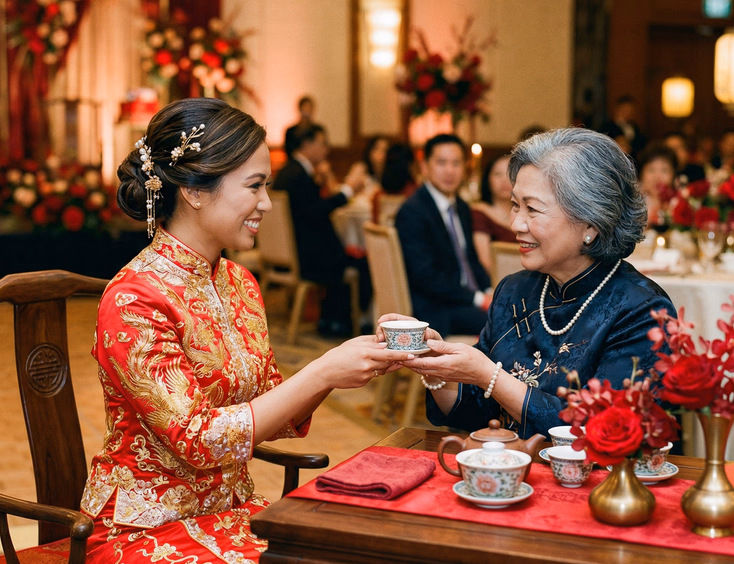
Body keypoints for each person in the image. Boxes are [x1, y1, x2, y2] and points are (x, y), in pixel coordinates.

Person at [81, 98, 410, 563]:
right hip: (145, 527)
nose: (267, 204)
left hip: (231, 511)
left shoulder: (238, 282)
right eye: (254, 186)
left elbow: (274, 403)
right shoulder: (134, 298)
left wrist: (349, 360)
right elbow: (196, 439)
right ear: (194, 191)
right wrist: (322, 373)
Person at [388, 128, 675, 439]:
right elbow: (477, 412)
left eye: (532, 209)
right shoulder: (516, 291)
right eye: (515, 205)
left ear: (591, 223)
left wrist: (489, 376)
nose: (516, 224)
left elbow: (603, 435)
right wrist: (436, 366)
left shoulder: (642, 311)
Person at [272, 123, 371, 337]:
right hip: (310, 257)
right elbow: (317, 210)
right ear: (307, 144)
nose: (326, 149)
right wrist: (347, 191)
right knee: (363, 262)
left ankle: (332, 318)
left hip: (297, 253)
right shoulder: (298, 175)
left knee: (353, 257)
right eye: (323, 143)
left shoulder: (290, 171)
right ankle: (347, 321)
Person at [395, 133, 492, 338]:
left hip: (463, 299)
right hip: (436, 309)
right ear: (424, 166)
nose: (450, 171)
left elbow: (470, 259)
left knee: (512, 311)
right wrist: (477, 299)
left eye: (456, 163)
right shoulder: (412, 212)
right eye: (441, 163)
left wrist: (489, 289)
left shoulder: (462, 207)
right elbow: (426, 278)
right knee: (501, 322)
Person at [471, 154, 516, 276]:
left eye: (510, 173)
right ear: (488, 179)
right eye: (497, 174)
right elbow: (485, 262)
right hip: (499, 281)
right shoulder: (480, 213)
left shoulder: (526, 212)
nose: (505, 180)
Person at [371, 142, 417, 224]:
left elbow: (375, 225)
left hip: (384, 236)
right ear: (410, 166)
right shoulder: (415, 195)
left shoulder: (378, 196)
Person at [637, 145, 677, 229]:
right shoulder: (631, 201)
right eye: (651, 170)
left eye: (664, 170)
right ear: (642, 173)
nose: (657, 177)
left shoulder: (677, 202)